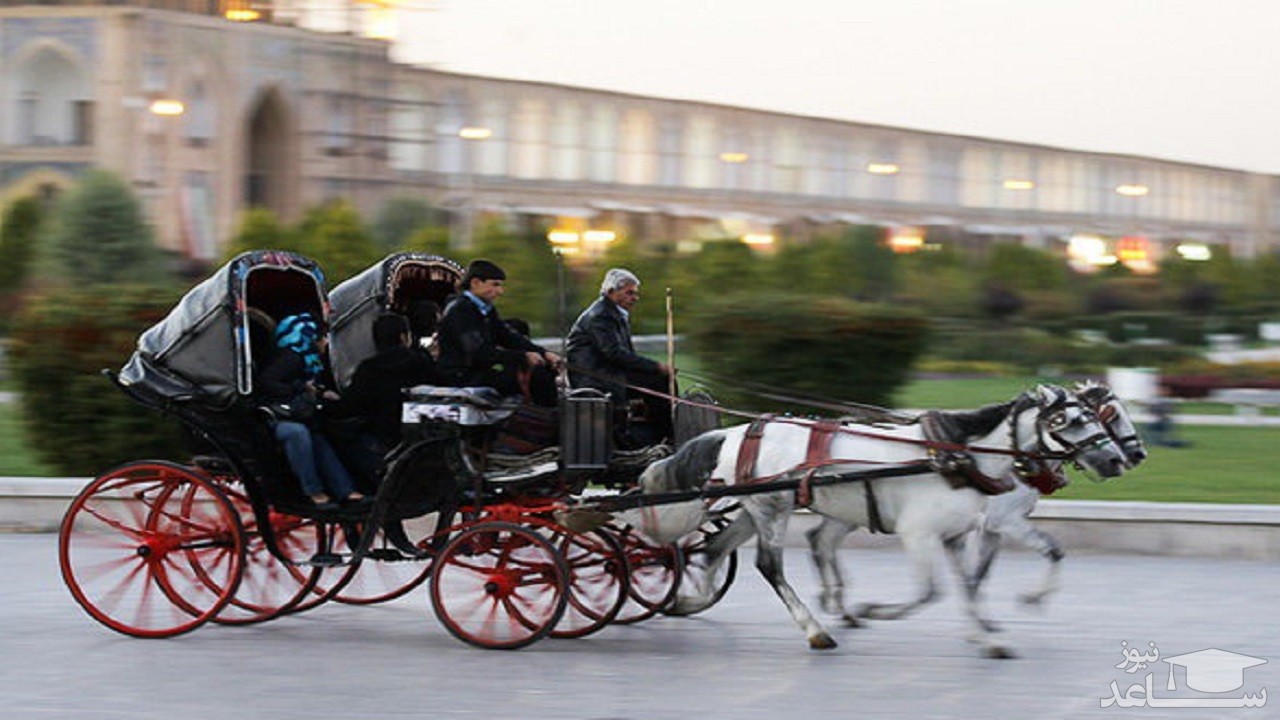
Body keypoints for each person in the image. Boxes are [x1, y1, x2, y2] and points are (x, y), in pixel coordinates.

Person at [256, 312, 368, 512]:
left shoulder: (309, 360)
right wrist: (300, 388)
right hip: (276, 418)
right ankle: (313, 492)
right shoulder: (291, 358)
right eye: (322, 337)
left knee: (319, 438)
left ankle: (346, 490)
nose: (325, 342)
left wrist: (322, 392)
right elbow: (267, 382)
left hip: (298, 414)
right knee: (298, 434)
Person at [565, 267, 675, 445]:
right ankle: (665, 435)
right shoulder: (601, 316)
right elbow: (614, 353)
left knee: (663, 378)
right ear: (611, 292)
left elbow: (625, 353)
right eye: (629, 293)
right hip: (596, 377)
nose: (635, 298)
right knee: (659, 380)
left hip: (610, 371)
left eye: (636, 293)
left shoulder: (613, 313)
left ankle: (659, 431)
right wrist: (655, 366)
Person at [435, 259, 561, 405]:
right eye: (495, 285)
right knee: (537, 377)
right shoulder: (460, 310)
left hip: (476, 372)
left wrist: (544, 353)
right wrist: (523, 356)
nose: (500, 291)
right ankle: (546, 423)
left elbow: (508, 337)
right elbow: (479, 353)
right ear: (475, 283)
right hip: (459, 375)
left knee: (545, 371)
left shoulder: (485, 309)